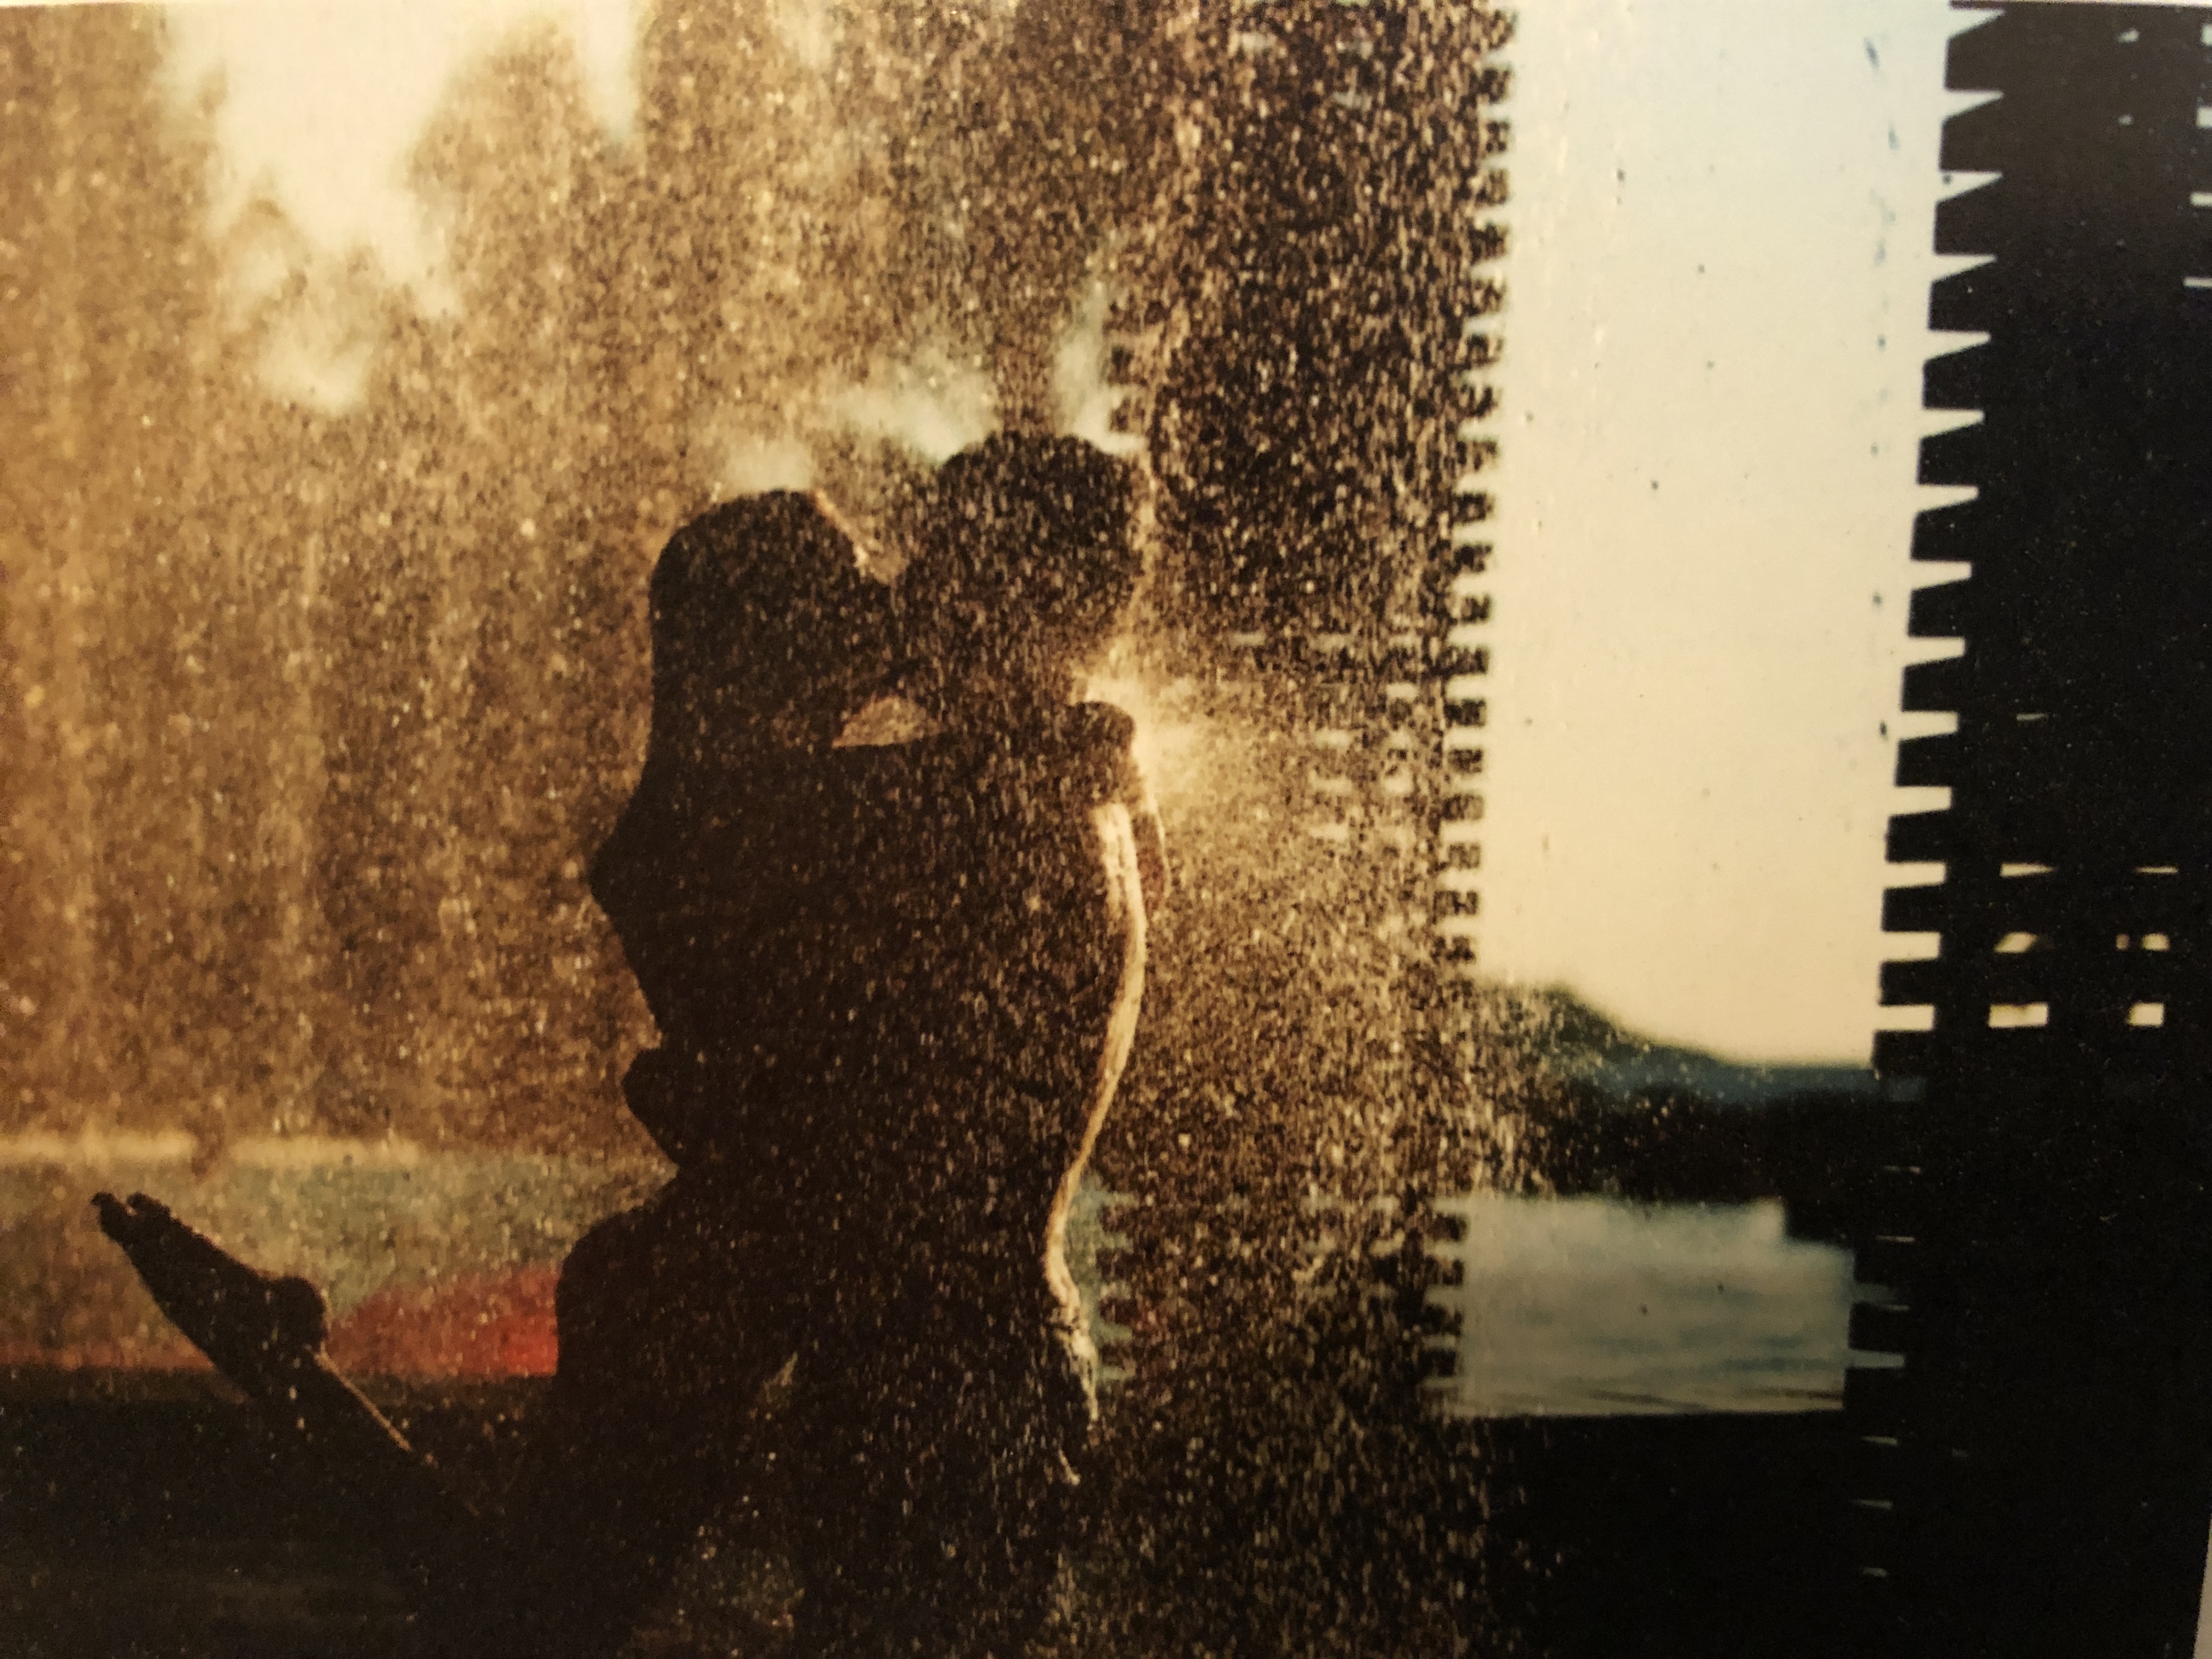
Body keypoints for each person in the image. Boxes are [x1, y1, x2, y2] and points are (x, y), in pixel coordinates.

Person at [531, 433, 1165, 1655]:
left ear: (1023, 594)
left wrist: (727, 632)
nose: (904, 594)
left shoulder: (983, 811)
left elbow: (671, 852)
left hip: (942, 1396)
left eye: (940, 562)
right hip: (965, 1377)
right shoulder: (1066, 792)